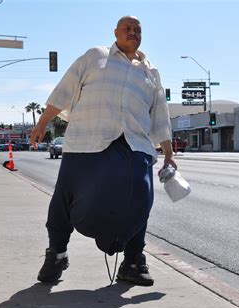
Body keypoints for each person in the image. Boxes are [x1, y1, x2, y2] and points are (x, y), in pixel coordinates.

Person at [30, 16, 176, 287]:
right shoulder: (95, 56)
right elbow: (65, 89)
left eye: (137, 30)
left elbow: (160, 117)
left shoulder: (151, 72)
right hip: (87, 141)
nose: (133, 33)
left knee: (140, 202)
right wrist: (42, 122)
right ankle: (56, 254)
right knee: (64, 200)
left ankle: (133, 262)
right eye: (127, 29)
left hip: (136, 145)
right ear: (116, 33)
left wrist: (168, 153)